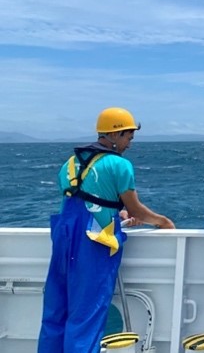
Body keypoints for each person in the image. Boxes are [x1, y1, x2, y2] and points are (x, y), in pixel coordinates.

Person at [38, 107, 175, 353]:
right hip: (93, 240)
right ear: (114, 135)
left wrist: (118, 212)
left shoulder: (69, 163)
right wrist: (162, 222)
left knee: (55, 312)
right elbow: (137, 209)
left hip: (63, 236)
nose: (129, 144)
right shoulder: (120, 165)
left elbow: (87, 199)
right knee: (86, 314)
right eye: (128, 137)